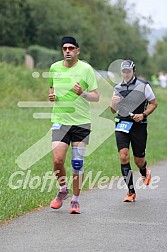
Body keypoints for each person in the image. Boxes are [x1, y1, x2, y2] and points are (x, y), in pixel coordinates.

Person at [48, 36, 99, 213]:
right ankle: (63, 190)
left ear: (77, 50)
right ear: (62, 50)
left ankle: (75, 200)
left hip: (81, 124)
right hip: (60, 122)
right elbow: (51, 88)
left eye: (71, 48)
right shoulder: (54, 67)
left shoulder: (86, 69)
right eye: (64, 48)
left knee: (77, 163)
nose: (68, 51)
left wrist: (82, 93)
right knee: (57, 160)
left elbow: (96, 96)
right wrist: (51, 96)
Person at [110, 60, 158, 202]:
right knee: (124, 156)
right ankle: (131, 192)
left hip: (138, 126)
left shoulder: (143, 85)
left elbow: (154, 103)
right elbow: (113, 110)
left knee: (138, 160)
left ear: (133, 71)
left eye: (128, 71)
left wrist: (143, 115)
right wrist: (113, 103)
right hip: (122, 124)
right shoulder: (117, 87)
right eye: (123, 71)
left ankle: (144, 170)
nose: (126, 74)